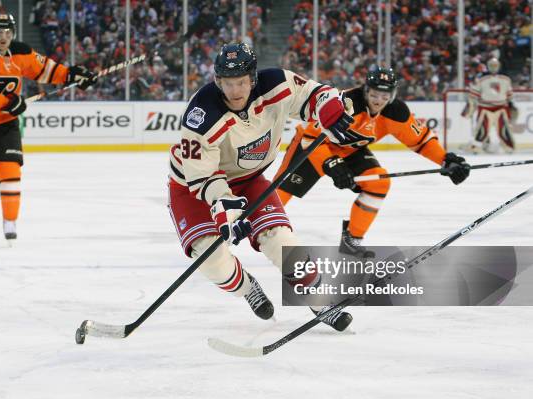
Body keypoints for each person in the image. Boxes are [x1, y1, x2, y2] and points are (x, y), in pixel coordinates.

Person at [167, 42, 358, 331]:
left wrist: (329, 107)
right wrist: (226, 211)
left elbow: (315, 95)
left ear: (253, 78)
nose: (235, 90)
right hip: (194, 187)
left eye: (241, 81)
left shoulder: (276, 83)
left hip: (249, 179)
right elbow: (203, 177)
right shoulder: (201, 116)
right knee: (210, 256)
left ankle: (320, 301)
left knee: (282, 241)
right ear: (218, 81)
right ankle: (248, 289)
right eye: (227, 83)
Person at [275, 66, 471, 257]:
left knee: (379, 183)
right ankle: (249, 227)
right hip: (313, 149)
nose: (379, 101)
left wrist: (445, 160)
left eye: (385, 96)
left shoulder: (396, 112)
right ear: (366, 90)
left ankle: (352, 240)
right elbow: (310, 138)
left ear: (392, 95)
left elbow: (421, 141)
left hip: (351, 151)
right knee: (277, 198)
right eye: (375, 94)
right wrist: (331, 164)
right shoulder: (346, 103)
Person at [0, 13, 97, 242]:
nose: (3, 37)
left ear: (12, 33)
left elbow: (44, 69)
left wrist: (71, 75)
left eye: (7, 32)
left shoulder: (21, 52)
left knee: (11, 172)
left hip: (5, 125)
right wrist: (9, 102)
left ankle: (10, 223)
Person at [461, 57, 516, 153]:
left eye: (495, 65)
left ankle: (508, 147)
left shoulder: (505, 79)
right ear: (488, 66)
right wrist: (469, 108)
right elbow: (473, 95)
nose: (493, 67)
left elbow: (509, 96)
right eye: (492, 65)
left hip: (501, 108)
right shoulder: (482, 80)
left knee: (504, 129)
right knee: (481, 130)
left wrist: (511, 105)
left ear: (498, 66)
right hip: (485, 108)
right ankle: (476, 147)